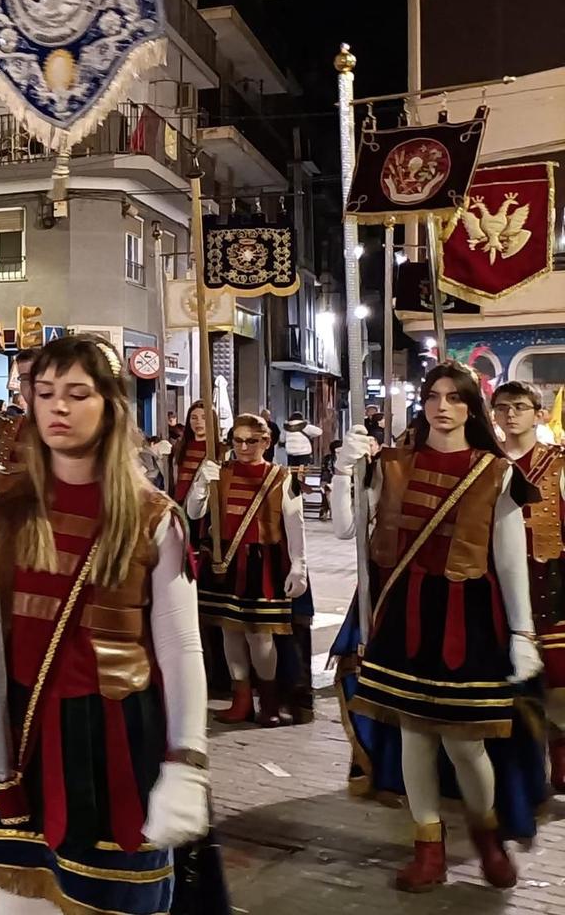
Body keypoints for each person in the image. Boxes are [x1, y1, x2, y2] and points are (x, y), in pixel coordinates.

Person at [0, 335, 212, 915]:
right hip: (4, 721)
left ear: (112, 404)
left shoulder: (153, 516)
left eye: (77, 393)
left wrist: (186, 758)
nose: (58, 407)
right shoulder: (4, 500)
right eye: (45, 393)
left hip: (109, 733)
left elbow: (180, 645)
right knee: (15, 902)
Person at [331, 362, 543, 890]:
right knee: (415, 737)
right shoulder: (391, 464)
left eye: (454, 397)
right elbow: (343, 530)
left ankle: (486, 833)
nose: (441, 406)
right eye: (433, 395)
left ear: (472, 407)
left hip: (467, 616)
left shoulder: (496, 473)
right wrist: (343, 472)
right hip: (404, 611)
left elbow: (510, 558)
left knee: (466, 743)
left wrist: (522, 634)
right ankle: (428, 845)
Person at [185, 414, 307, 727]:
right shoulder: (219, 472)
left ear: (266, 442)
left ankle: (268, 702)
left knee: (260, 636)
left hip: (261, 561)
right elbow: (194, 512)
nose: (243, 447)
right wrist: (200, 483)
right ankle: (240, 700)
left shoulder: (281, 476)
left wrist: (299, 565)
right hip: (224, 559)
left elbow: (295, 524)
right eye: (237, 440)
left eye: (251, 441)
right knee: (230, 631)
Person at [492, 381, 565, 790]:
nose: (511, 415)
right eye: (503, 408)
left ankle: (560, 758)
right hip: (498, 584)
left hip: (552, 583)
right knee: (509, 685)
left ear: (538, 413)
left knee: (559, 683)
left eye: (520, 407)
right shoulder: (487, 463)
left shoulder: (559, 463)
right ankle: (520, 769)